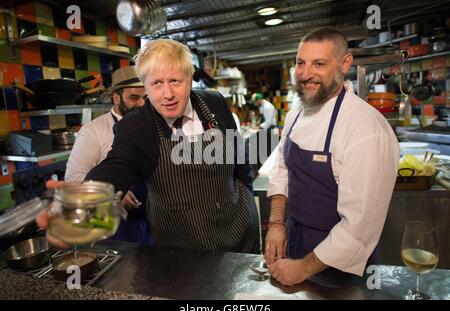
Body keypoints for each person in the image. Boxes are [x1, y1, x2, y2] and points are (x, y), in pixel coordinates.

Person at [39, 39, 260, 254]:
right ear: (145, 85)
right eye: (157, 83)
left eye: (175, 81)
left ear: (190, 78)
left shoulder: (214, 102)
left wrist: (248, 195)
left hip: (240, 227)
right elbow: (117, 166)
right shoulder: (136, 126)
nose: (168, 94)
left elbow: (239, 156)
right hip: (184, 245)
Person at [264, 27, 399, 286]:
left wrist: (303, 268)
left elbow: (359, 227)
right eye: (300, 63)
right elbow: (282, 168)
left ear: (345, 63)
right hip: (294, 242)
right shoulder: (295, 114)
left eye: (319, 64)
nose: (305, 74)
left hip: (339, 263)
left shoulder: (366, 129)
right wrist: (277, 223)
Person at [64, 65, 153, 245]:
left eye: (145, 98)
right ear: (116, 98)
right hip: (115, 227)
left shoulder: (151, 125)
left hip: (150, 219)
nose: (142, 104)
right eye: (134, 98)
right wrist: (115, 194)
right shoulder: (93, 131)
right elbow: (72, 180)